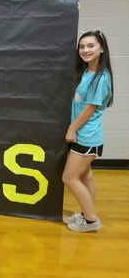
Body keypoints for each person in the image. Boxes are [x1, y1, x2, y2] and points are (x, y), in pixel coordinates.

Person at [62, 29, 114, 232]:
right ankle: (85, 215)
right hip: (86, 135)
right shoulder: (87, 71)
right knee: (86, 177)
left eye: (91, 46)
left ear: (101, 49)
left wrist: (72, 129)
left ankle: (92, 221)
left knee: (69, 178)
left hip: (86, 136)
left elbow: (90, 108)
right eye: (82, 47)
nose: (85, 50)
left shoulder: (101, 77)